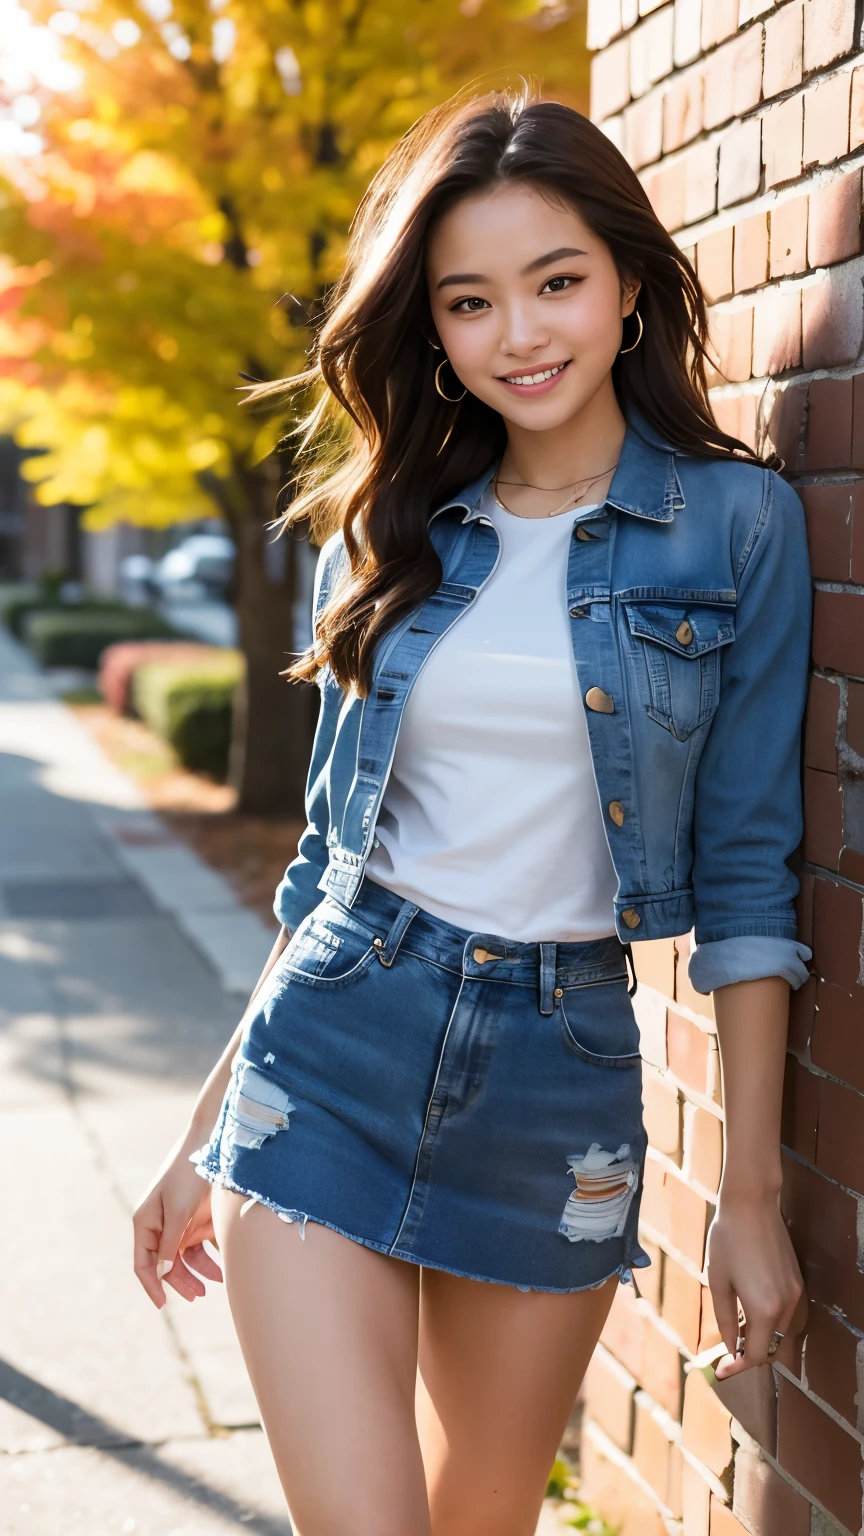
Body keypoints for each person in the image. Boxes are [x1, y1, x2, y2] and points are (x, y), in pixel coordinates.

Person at [133, 87, 811, 1536]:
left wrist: (747, 1193)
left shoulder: (737, 527)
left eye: (555, 281)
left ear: (628, 285)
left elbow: (752, 880)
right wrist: (203, 1127)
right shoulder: (389, 530)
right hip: (332, 1048)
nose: (521, 333)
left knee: (483, 1517)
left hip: (559, 1083)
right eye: (469, 301)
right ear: (430, 329)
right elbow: (325, 862)